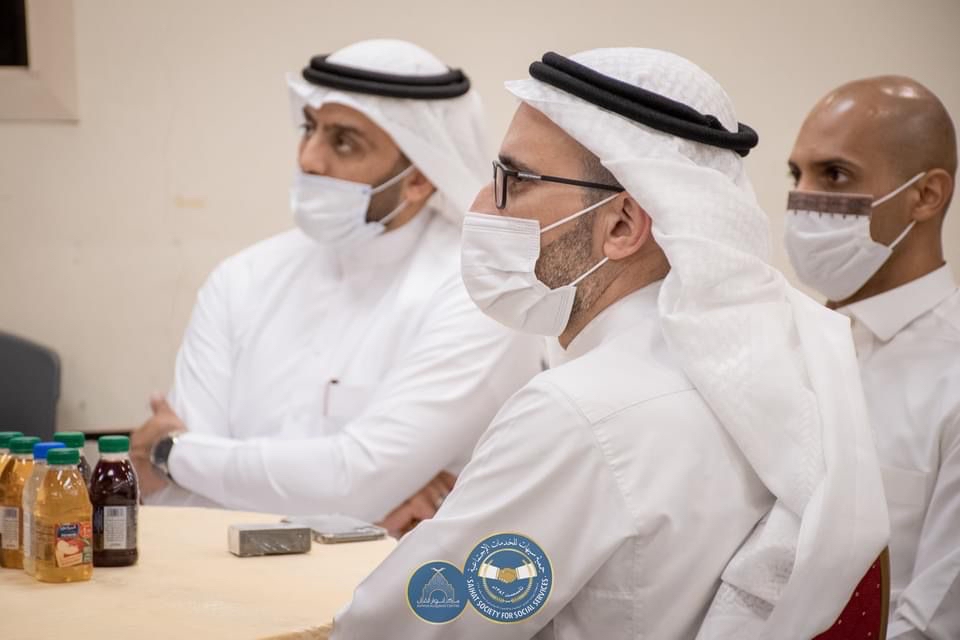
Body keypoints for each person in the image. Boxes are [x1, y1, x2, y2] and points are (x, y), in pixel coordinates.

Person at [330, 48, 888, 639]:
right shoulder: (778, 373)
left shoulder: (578, 414)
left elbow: (409, 627)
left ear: (621, 224)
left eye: (513, 181)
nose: (479, 207)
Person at [129, 39, 542, 535]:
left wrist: (170, 453)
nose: (309, 158)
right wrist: (352, 506)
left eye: (344, 142)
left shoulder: (479, 293)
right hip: (222, 573)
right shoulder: (242, 278)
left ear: (418, 179)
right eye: (310, 128)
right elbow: (179, 503)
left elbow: (352, 482)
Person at [786, 75, 959, 639]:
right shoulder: (787, 342)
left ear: (926, 195)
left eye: (834, 175)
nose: (802, 198)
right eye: (795, 174)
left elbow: (937, 620)